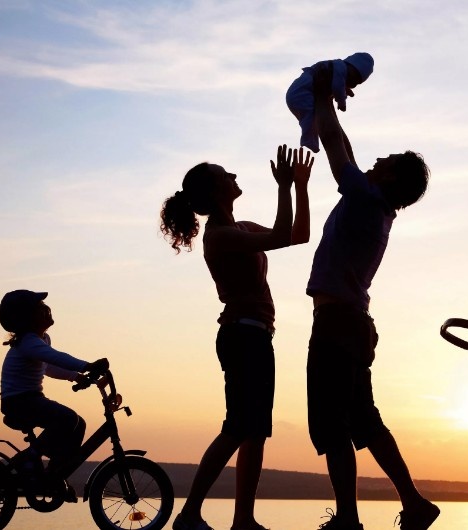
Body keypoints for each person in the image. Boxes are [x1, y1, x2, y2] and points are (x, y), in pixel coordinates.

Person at [305, 70, 440, 530]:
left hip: (337, 324)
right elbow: (342, 143)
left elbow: (334, 144)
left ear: (391, 176)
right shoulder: (374, 203)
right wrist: (328, 97)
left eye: (387, 159)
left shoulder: (365, 200)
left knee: (333, 426)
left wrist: (322, 93)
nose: (377, 158)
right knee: (363, 420)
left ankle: (348, 519)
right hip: (352, 324)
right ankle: (414, 504)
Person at [160, 145, 313, 530]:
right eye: (225, 174)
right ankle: (190, 514)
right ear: (215, 192)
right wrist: (284, 187)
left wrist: (300, 186)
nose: (234, 176)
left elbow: (298, 235)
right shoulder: (221, 236)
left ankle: (243, 519)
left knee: (255, 432)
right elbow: (282, 234)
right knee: (237, 428)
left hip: (256, 336)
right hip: (242, 336)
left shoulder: (240, 227)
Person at [0, 290, 107, 494]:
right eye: (40, 307)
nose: (47, 309)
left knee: (79, 423)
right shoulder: (28, 341)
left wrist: (76, 376)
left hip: (30, 399)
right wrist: (87, 365)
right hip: (19, 402)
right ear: (27, 317)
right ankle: (31, 458)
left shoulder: (42, 339)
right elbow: (54, 357)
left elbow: (48, 366)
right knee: (68, 419)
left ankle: (55, 474)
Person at [286, 52, 374, 153]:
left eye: (357, 83)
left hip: (301, 92)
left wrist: (343, 91)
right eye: (353, 77)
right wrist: (341, 102)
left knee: (313, 118)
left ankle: (311, 140)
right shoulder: (339, 68)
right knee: (309, 118)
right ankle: (308, 140)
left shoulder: (337, 68)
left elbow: (337, 84)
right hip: (300, 93)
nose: (353, 84)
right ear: (349, 66)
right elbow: (337, 87)